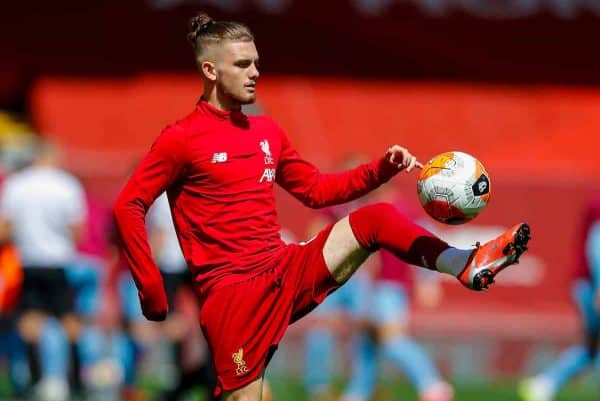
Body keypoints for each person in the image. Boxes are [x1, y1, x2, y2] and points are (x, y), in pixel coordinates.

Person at [113, 12, 531, 401]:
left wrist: (380, 169)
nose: (255, 72)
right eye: (242, 64)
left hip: (283, 269)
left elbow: (315, 189)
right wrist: (151, 289)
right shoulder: (181, 139)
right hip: (232, 298)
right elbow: (128, 205)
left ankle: (465, 262)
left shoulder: (266, 131)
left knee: (377, 218)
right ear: (210, 70)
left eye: (256, 62)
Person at [304, 190, 453, 401]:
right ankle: (357, 393)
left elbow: (426, 240)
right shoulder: (368, 207)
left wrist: (427, 280)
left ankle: (432, 385)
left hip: (391, 286)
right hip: (373, 285)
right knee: (366, 339)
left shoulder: (403, 208)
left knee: (392, 338)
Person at [0, 138, 87, 401]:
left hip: (28, 260)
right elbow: (77, 230)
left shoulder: (16, 185)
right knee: (69, 320)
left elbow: (6, 227)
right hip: (59, 260)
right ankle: (73, 379)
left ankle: (36, 378)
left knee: (30, 321)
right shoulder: (67, 184)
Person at [518, 195, 599, 401]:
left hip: (586, 285)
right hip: (591, 286)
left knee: (591, 349)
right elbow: (597, 246)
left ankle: (546, 383)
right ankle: (546, 383)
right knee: (592, 348)